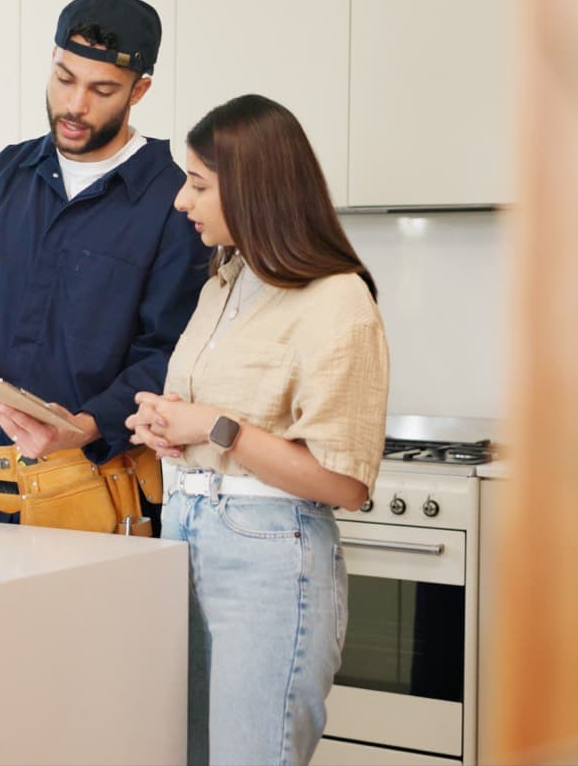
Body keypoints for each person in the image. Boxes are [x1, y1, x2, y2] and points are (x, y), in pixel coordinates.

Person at [125, 93, 389, 765]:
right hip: (183, 533)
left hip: (269, 558)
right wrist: (167, 426)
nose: (182, 202)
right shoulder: (224, 281)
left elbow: (345, 483)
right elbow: (206, 420)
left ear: (254, 189)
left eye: (198, 184)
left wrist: (216, 428)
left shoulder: (338, 298)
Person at [0, 0, 211, 535]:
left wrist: (83, 426)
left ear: (138, 91)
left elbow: (169, 352)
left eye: (102, 90)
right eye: (64, 78)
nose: (75, 106)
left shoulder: (173, 199)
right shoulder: (4, 176)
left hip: (102, 490)